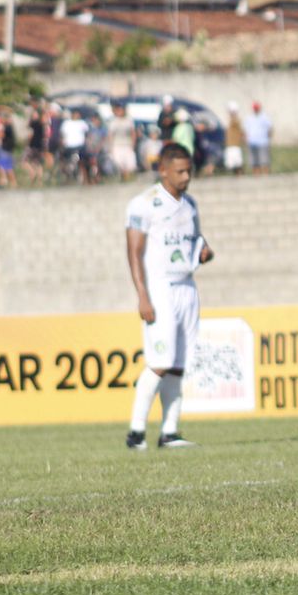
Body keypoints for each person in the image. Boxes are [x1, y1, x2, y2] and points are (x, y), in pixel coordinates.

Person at [124, 142, 215, 450]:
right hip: (159, 287)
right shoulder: (144, 204)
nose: (186, 176)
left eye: (189, 170)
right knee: (160, 361)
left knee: (179, 362)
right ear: (162, 170)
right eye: (180, 171)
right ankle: (136, 431)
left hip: (187, 286)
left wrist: (203, 252)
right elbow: (134, 252)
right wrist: (142, 295)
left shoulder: (190, 204)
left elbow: (195, 241)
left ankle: (170, 431)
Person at [108, 104, 138, 182]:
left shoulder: (129, 120)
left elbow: (133, 133)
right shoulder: (113, 121)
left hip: (127, 144)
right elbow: (110, 135)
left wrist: (133, 144)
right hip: (117, 145)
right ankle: (122, 176)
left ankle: (128, 177)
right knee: (119, 163)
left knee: (130, 164)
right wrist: (110, 146)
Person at [245, 102, 273, 175]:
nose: (256, 110)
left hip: (263, 142)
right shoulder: (249, 118)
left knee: (265, 160)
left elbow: (269, 129)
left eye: (257, 108)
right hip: (252, 142)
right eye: (255, 108)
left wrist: (268, 139)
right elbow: (246, 130)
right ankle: (256, 176)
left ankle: (266, 175)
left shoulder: (264, 117)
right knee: (254, 161)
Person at [223, 102, 246, 175]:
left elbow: (241, 131)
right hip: (229, 145)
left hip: (235, 145)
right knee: (231, 165)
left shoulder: (236, 120)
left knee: (238, 164)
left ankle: (240, 175)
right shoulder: (230, 121)